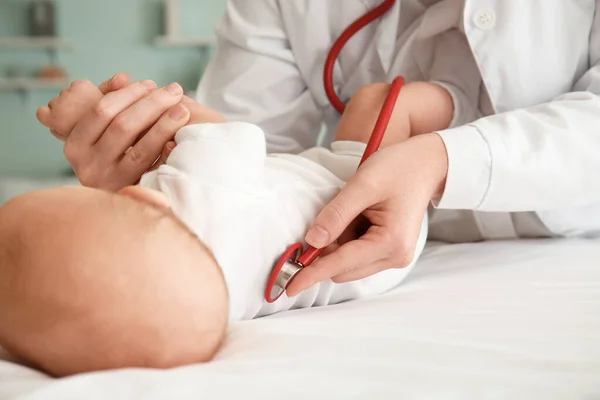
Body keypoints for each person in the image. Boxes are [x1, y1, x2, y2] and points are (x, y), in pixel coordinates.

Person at [42, 1, 600, 296]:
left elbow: (246, 155)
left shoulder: (191, 274)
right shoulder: (192, 292)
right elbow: (249, 138)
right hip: (356, 221)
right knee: (382, 104)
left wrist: (140, 184)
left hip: (338, 215)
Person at [0, 68, 456, 376]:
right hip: (365, 194)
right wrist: (115, 108)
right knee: (378, 101)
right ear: (144, 201)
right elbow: (228, 131)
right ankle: (457, 105)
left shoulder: (190, 310)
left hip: (372, 272)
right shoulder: (195, 199)